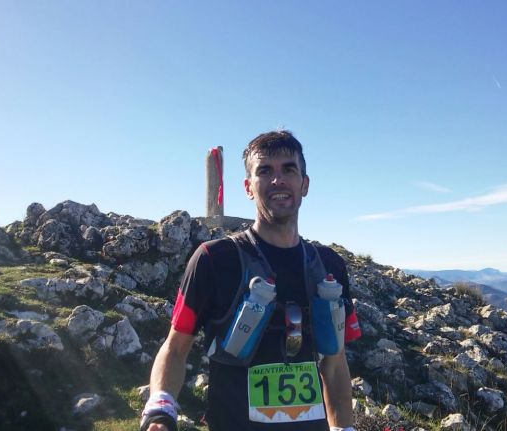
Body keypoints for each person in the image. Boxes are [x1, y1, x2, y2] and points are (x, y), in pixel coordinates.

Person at [141, 130, 361, 431]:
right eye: (265, 171)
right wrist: (160, 409)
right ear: (248, 187)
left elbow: (334, 365)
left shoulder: (329, 266)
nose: (278, 180)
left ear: (305, 184)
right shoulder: (213, 259)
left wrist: (344, 428)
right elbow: (175, 347)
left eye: (289, 169)